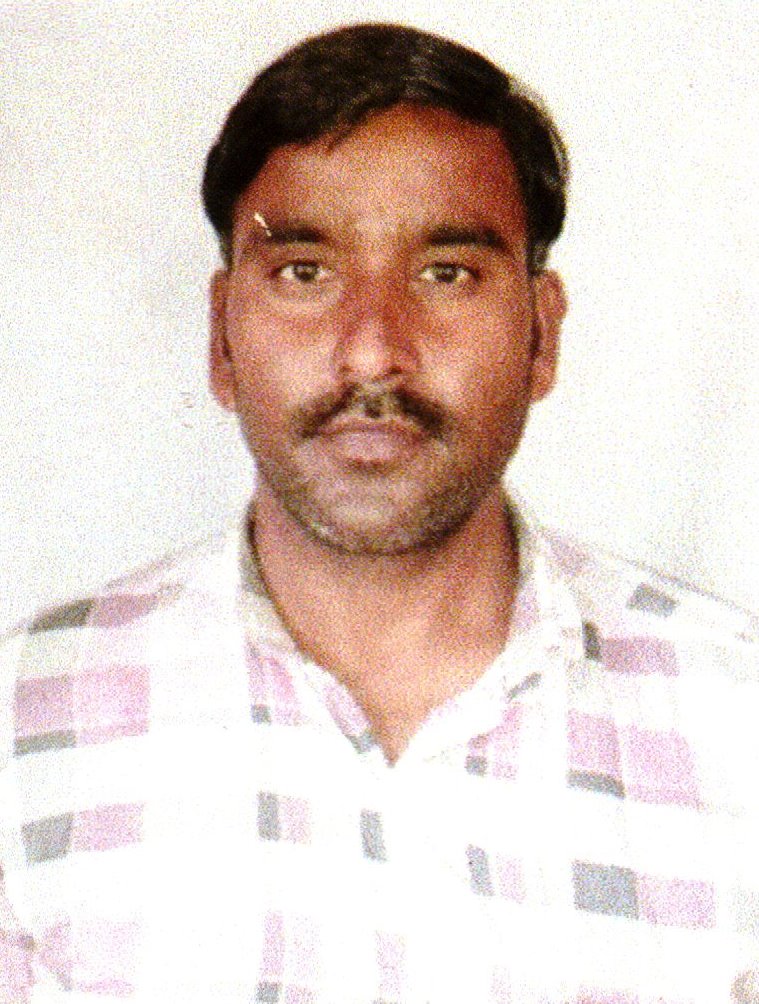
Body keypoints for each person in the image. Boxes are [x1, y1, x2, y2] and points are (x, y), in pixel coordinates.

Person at [1, 21, 757, 1004]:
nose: (370, 352)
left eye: (446, 273)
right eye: (304, 273)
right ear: (221, 339)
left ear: (541, 336)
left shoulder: (737, 719)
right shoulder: (24, 727)